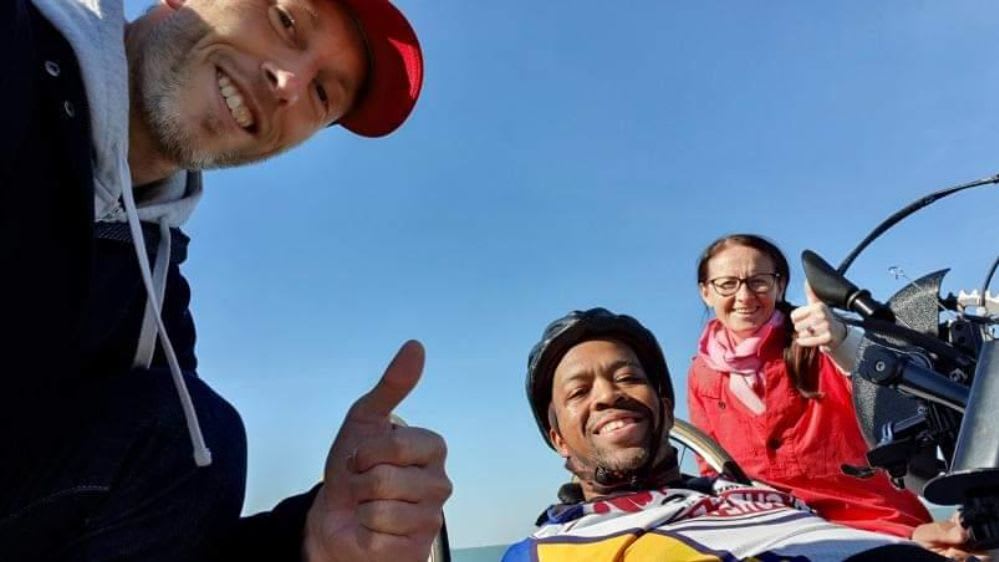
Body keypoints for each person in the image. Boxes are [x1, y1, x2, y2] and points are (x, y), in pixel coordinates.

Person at [0, 0, 450, 560]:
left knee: (197, 442)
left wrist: (312, 541)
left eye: (321, 94)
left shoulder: (154, 312)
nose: (289, 84)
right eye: (285, 21)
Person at [503, 307, 979, 562]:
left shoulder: (749, 493)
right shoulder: (551, 548)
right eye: (579, 392)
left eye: (628, 377)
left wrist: (914, 537)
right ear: (558, 438)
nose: (608, 395)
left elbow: (832, 531)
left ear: (664, 407)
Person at [687, 233, 931, 537]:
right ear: (706, 292)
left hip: (874, 522)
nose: (744, 296)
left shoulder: (819, 340)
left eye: (759, 281)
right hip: (772, 531)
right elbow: (713, 469)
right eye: (727, 284)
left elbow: (888, 394)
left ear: (779, 286)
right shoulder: (701, 373)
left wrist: (842, 340)